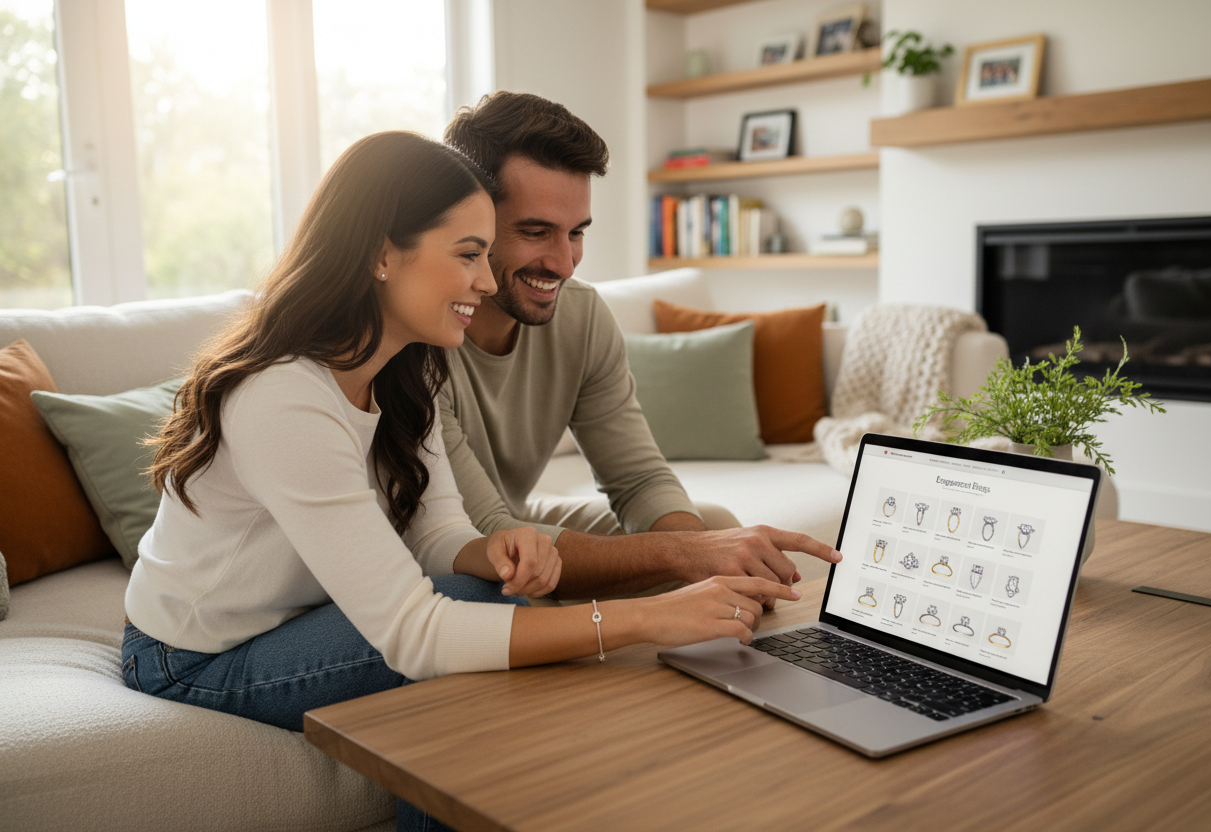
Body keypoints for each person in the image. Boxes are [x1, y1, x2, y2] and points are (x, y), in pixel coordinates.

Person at [121, 131, 806, 832]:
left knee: (487, 588)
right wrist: (646, 617)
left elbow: (439, 530)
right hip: (195, 655)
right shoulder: (284, 396)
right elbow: (414, 632)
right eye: (469, 255)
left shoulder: (406, 369)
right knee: (474, 631)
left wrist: (499, 546)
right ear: (382, 253)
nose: (486, 281)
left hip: (304, 619)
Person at [440, 92, 836, 604]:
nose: (564, 263)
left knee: (715, 528)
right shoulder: (425, 332)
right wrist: (685, 558)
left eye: (576, 233)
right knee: (501, 588)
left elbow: (637, 478)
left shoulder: (580, 316)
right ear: (472, 220)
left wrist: (709, 560)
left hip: (517, 526)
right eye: (536, 231)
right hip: (463, 546)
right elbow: (483, 530)